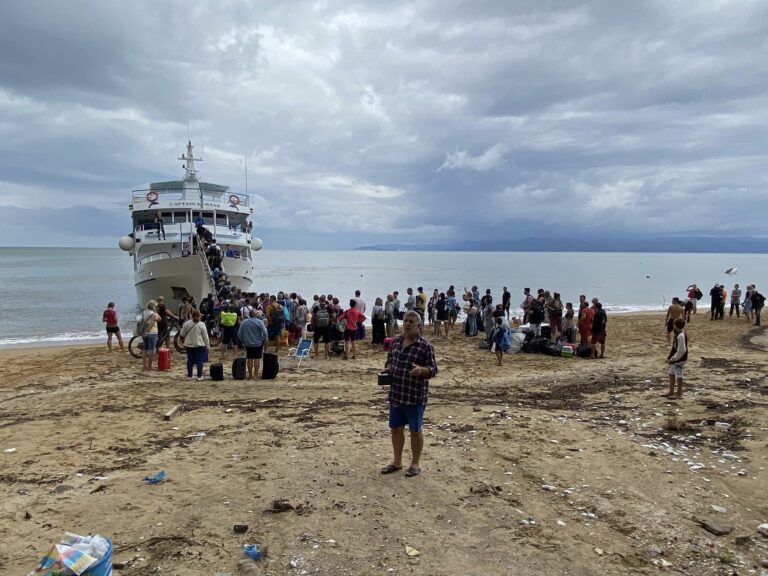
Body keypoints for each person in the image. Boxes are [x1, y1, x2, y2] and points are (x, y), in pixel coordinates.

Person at [380, 311, 438, 478]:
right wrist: (389, 368)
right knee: (396, 429)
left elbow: (433, 369)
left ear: (418, 326)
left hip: (415, 395)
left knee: (415, 430)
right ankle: (397, 462)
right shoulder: (396, 342)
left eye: (411, 322)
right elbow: (390, 359)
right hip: (396, 393)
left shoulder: (425, 346)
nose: (407, 324)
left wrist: (422, 370)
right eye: (406, 321)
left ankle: (415, 464)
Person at [237, 309, 269, 379]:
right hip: (258, 343)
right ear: (255, 315)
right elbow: (265, 333)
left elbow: (239, 334)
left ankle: (250, 375)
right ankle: (256, 375)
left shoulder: (244, 322)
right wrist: (263, 340)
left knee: (250, 358)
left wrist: (243, 341)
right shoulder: (259, 322)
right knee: (257, 358)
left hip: (248, 343)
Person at [180, 309, 211, 380]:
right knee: (200, 361)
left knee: (190, 360)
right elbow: (205, 337)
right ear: (199, 316)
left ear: (191, 315)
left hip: (189, 345)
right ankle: (199, 376)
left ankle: (190, 376)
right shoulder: (202, 324)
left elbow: (182, 334)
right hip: (200, 345)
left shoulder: (186, 324)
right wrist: (208, 346)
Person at [663, 319, 688, 399]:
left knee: (679, 376)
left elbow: (682, 350)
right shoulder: (678, 334)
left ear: (675, 326)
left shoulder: (681, 336)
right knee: (671, 374)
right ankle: (671, 391)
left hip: (679, 360)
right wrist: (670, 358)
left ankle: (679, 394)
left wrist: (673, 358)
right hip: (676, 359)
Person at [141, 300, 161, 371]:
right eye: (155, 306)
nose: (156, 307)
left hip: (144, 333)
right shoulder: (154, 314)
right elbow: (159, 319)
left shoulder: (144, 312)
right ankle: (149, 366)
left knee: (145, 350)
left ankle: (144, 366)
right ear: (153, 306)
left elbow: (143, 321)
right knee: (151, 350)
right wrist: (156, 312)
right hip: (152, 333)